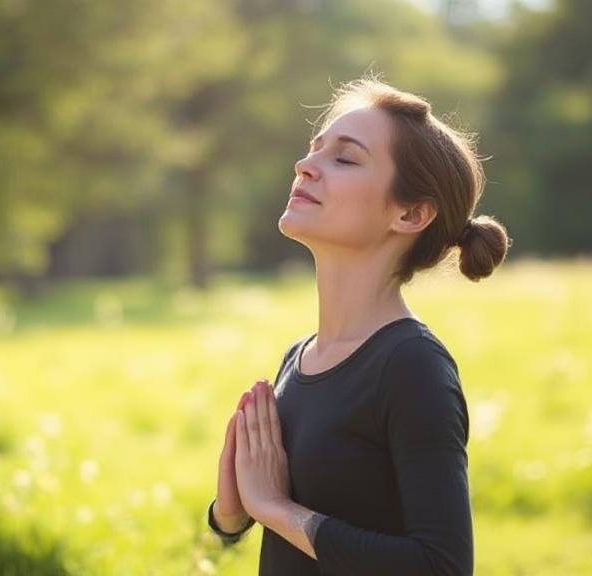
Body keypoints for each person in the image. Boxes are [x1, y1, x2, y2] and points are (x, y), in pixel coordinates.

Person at [205, 75, 511, 575]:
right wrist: (232, 513)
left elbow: (442, 566)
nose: (305, 166)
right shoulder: (299, 357)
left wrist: (275, 508)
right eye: (314, 150)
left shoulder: (412, 366)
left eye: (344, 159)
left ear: (411, 214)